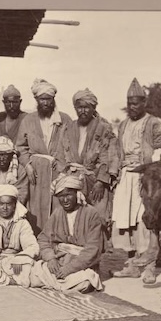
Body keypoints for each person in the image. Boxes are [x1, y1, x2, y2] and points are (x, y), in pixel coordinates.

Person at [110, 78, 161, 283]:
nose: (132, 107)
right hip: (126, 176)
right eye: (129, 103)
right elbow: (118, 151)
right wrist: (115, 173)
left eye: (136, 103)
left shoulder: (153, 123)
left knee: (146, 220)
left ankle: (150, 266)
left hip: (146, 178)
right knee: (126, 222)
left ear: (144, 103)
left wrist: (152, 169)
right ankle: (132, 265)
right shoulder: (123, 124)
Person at [15, 78, 73, 233]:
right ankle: (37, 239)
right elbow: (20, 147)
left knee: (58, 204)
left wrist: (64, 166)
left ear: (53, 99)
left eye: (48, 99)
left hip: (57, 171)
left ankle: (57, 237)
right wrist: (27, 165)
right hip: (36, 171)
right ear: (36, 100)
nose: (45, 103)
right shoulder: (28, 120)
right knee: (36, 206)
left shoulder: (65, 119)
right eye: (42, 99)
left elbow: (71, 147)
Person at [55, 88, 117, 229]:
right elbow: (60, 155)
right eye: (79, 107)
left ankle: (99, 246)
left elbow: (108, 156)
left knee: (98, 214)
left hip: (95, 180)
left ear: (93, 108)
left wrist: (101, 181)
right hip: (72, 178)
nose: (82, 111)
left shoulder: (103, 129)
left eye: (86, 107)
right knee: (73, 215)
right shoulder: (67, 128)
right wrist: (63, 176)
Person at [32, 173, 105, 293]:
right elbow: (43, 239)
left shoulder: (91, 213)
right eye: (61, 196)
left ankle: (56, 282)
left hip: (82, 264)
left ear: (77, 193)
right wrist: (50, 259)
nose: (65, 200)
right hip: (59, 260)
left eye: (68, 195)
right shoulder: (57, 213)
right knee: (33, 272)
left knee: (84, 282)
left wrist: (69, 269)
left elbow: (93, 249)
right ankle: (56, 281)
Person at [0, 136, 29, 210]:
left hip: (14, 206)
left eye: (5, 154)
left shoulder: (20, 170)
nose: (2, 158)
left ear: (11, 155)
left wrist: (10, 207)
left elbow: (22, 194)